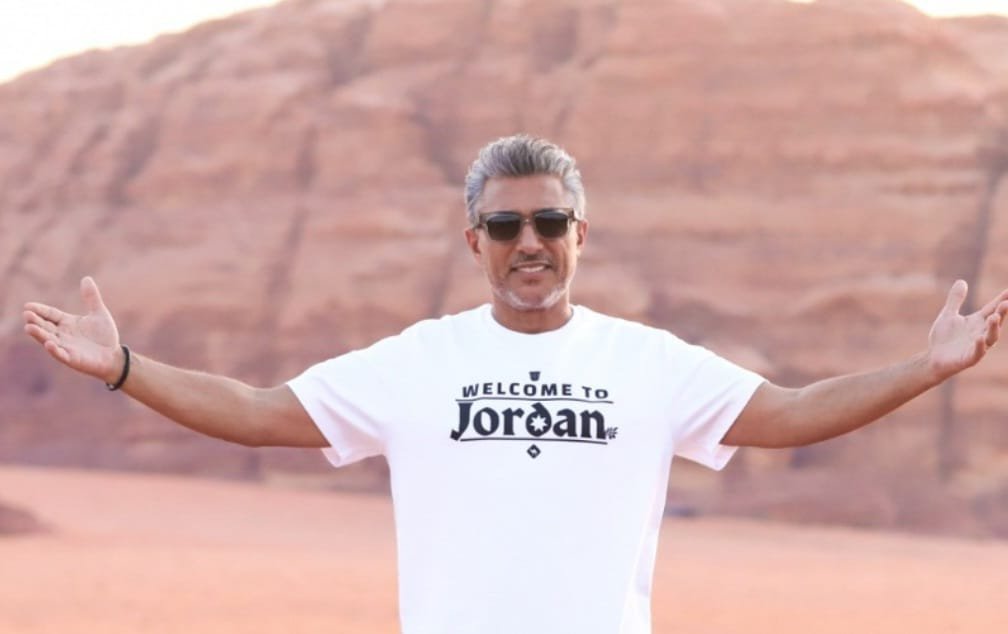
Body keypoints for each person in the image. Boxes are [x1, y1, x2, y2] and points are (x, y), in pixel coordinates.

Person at [22, 134, 1008, 634]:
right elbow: (256, 411)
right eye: (505, 226)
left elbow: (790, 414)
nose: (528, 243)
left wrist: (927, 370)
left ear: (581, 234)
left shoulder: (648, 361)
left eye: (548, 222)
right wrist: (124, 368)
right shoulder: (416, 360)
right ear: (474, 242)